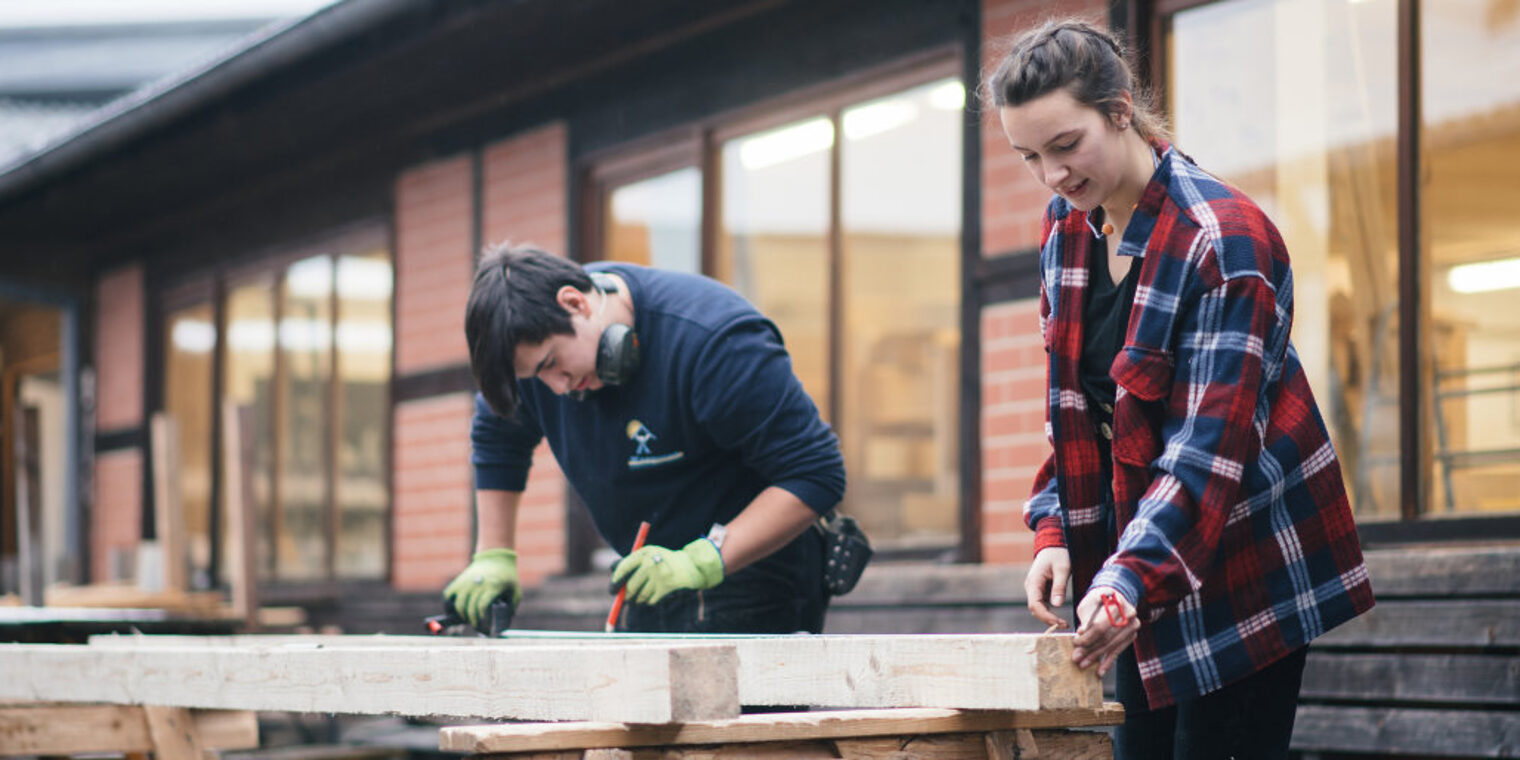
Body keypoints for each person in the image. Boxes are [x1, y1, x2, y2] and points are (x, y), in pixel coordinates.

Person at [985, 19, 1375, 758]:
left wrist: (1127, 579)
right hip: (1140, 565)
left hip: (1249, 563)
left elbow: (1206, 451)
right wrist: (1056, 529)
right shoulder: (1066, 228)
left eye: (1066, 146)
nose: (1053, 177)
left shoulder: (1225, 242)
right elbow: (1075, 405)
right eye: (1029, 156)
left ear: (1121, 110)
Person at [445, 243, 845, 635]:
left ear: (575, 303)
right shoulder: (538, 359)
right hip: (647, 570)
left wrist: (701, 562)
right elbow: (498, 436)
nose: (558, 388)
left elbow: (816, 473)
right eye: (537, 377)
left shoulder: (714, 340)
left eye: (553, 363)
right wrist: (493, 554)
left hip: (754, 571)